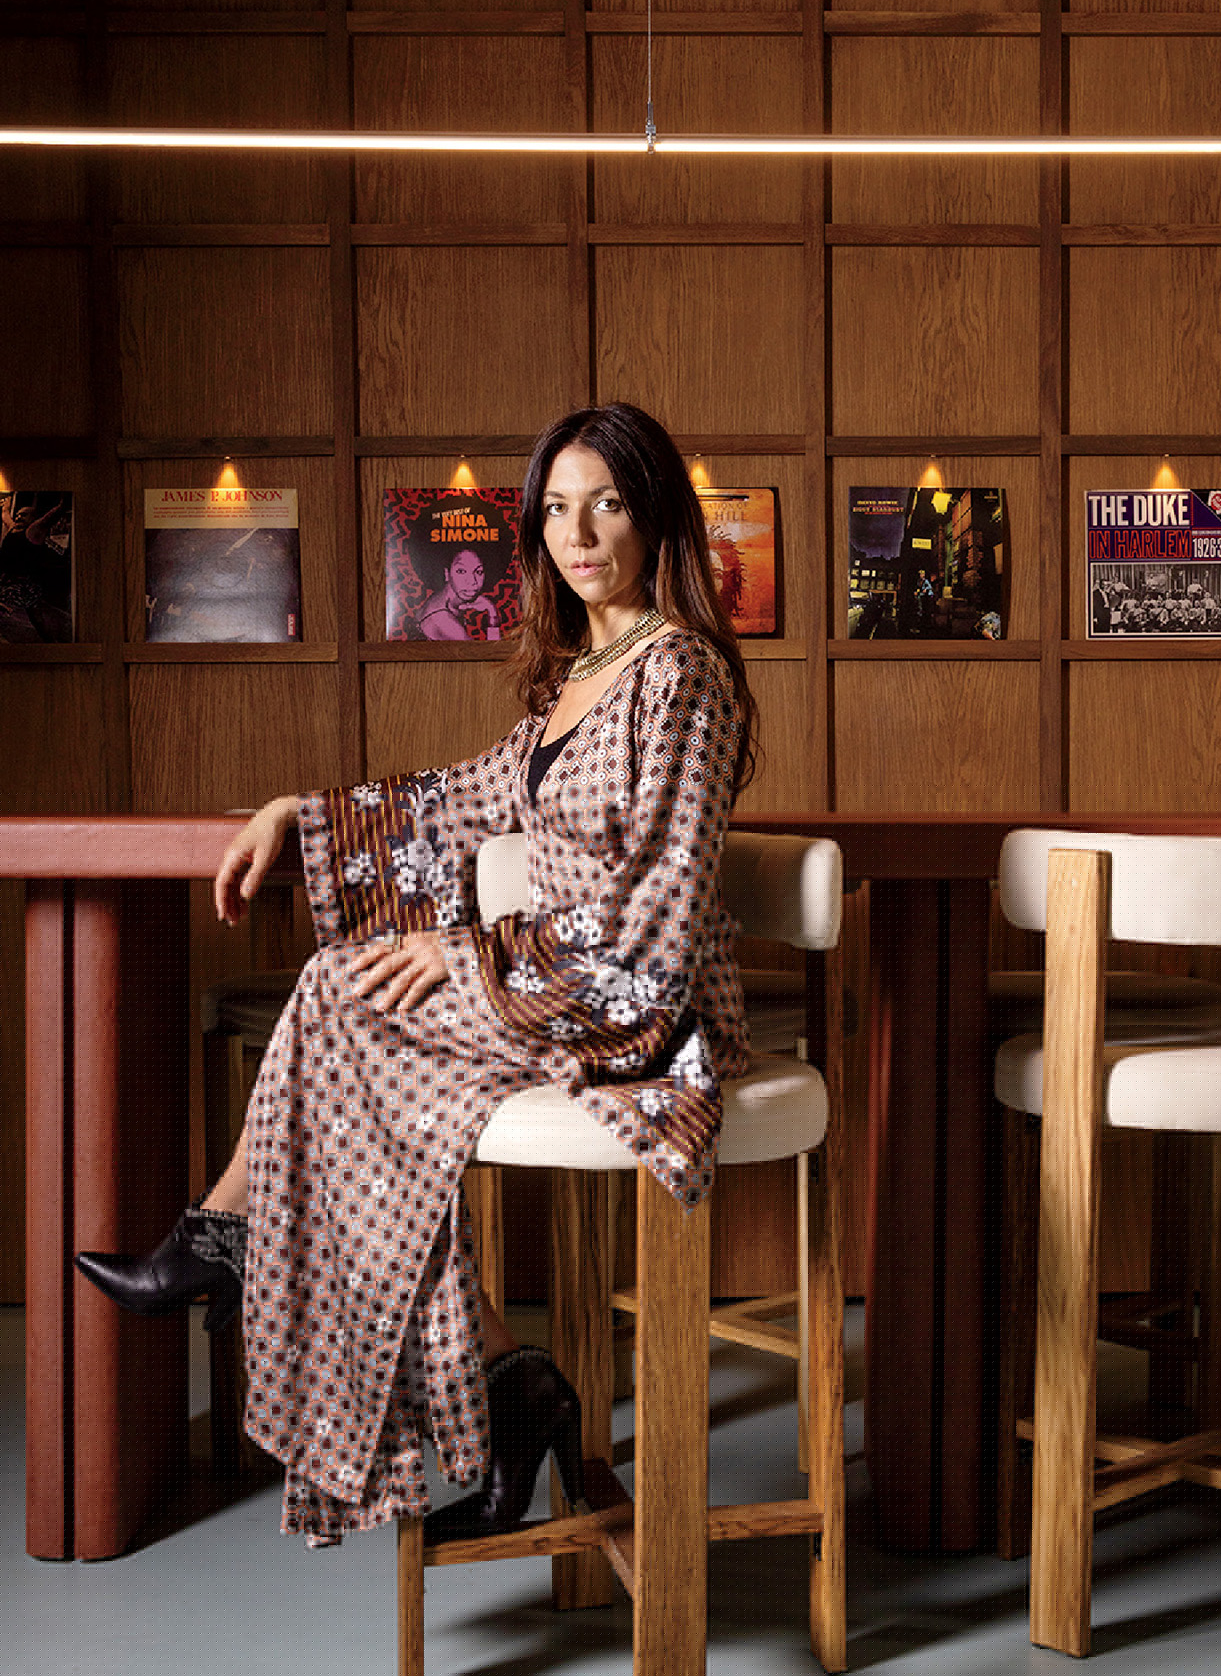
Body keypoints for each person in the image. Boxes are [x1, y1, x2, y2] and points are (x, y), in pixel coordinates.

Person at [76, 402, 758, 1549]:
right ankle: (500, 1376)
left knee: (346, 997)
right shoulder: (580, 675)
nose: (577, 532)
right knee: (367, 1053)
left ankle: (230, 1237)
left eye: (608, 502)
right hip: (547, 983)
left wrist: (469, 949)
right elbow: (467, 799)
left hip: (632, 999)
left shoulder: (680, 673)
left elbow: (664, 914)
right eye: (554, 507)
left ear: (656, 517)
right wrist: (303, 812)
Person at [417, 543, 503, 640]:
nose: (472, 581)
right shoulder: (442, 620)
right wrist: (492, 612)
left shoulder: (445, 598)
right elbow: (490, 654)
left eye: (478, 572)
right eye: (461, 571)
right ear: (447, 574)